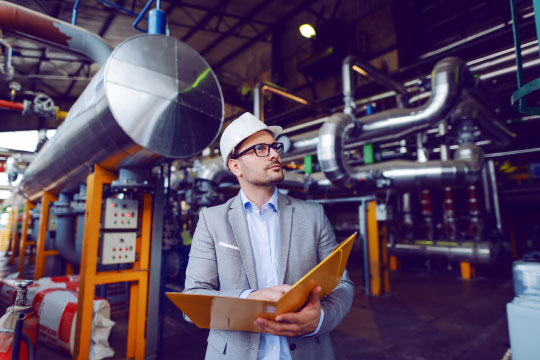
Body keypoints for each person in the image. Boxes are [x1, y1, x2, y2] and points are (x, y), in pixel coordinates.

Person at [183, 112, 355, 360]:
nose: (275, 154)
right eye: (261, 149)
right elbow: (193, 299)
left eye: (275, 147)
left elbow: (342, 284)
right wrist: (248, 298)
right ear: (235, 166)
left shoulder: (313, 215)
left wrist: (320, 319)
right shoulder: (212, 221)